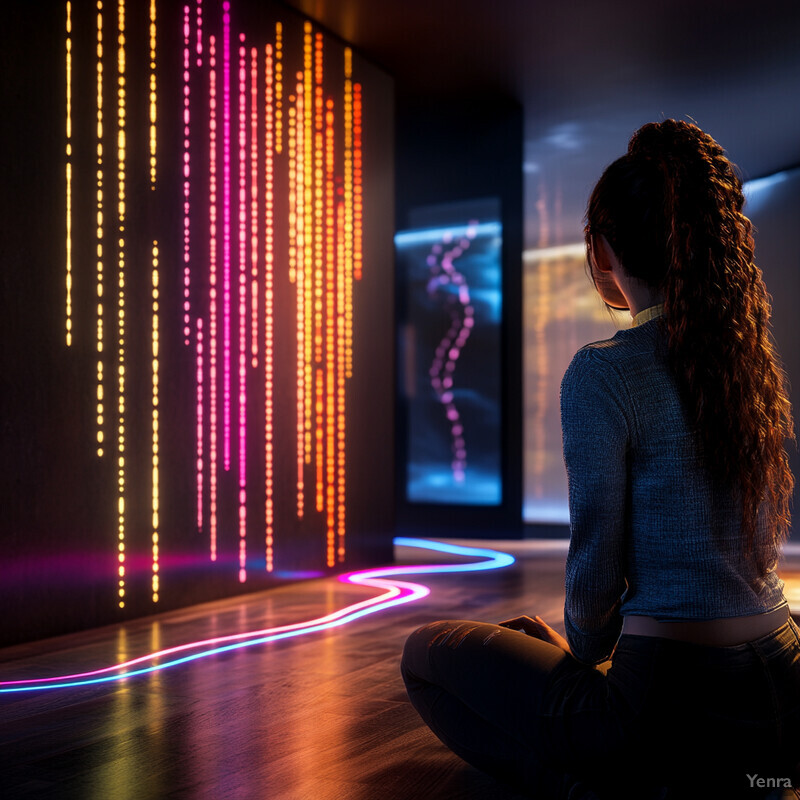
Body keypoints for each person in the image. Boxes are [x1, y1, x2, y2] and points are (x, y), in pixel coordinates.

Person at [400, 119, 800, 799]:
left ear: (606, 249)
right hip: (784, 693)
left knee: (424, 658)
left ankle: (608, 787)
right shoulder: (746, 362)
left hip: (664, 700)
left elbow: (593, 572)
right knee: (530, 645)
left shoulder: (605, 373)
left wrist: (581, 654)